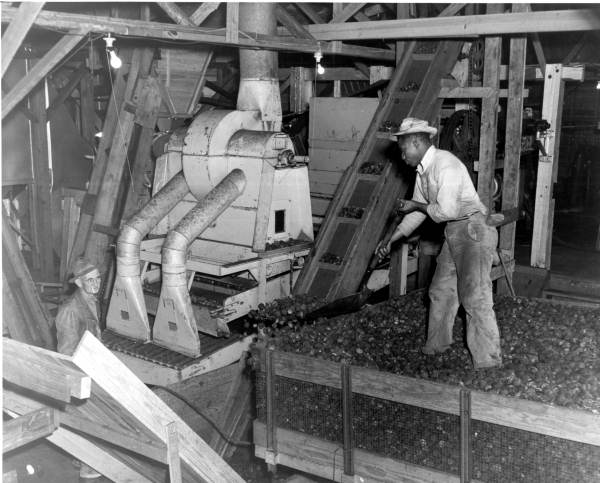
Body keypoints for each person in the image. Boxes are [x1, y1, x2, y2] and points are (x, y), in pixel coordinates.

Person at [376, 117, 502, 370]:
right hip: (455, 232)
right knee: (440, 291)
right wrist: (391, 239)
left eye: (403, 150)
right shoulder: (423, 172)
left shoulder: (446, 165)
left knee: (474, 295)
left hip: (473, 229)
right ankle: (436, 347)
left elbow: (446, 210)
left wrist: (416, 205)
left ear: (415, 142)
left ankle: (488, 362)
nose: (402, 157)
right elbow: (416, 214)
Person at [55, 257, 103, 479]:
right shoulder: (70, 310)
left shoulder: (92, 300)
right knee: (89, 419)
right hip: (82, 372)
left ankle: (83, 457)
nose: (96, 283)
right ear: (80, 283)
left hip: (94, 365)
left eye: (98, 278)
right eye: (90, 280)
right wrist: (80, 379)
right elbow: (66, 351)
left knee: (91, 418)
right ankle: (87, 466)